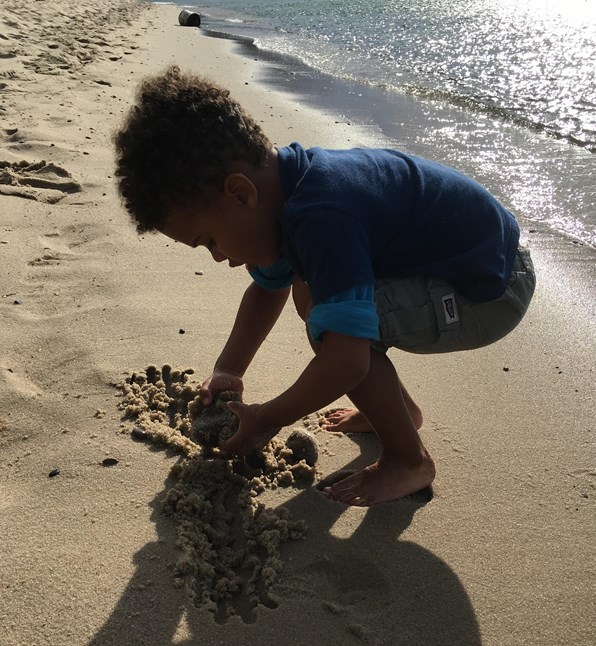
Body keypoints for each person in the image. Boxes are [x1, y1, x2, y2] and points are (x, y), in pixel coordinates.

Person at [113, 65, 536, 506]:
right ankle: (398, 413)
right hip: (463, 259)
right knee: (313, 295)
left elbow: (346, 362)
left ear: (240, 193)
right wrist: (229, 371)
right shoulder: (288, 190)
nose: (219, 256)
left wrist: (268, 418)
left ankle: (408, 459)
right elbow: (266, 289)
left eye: (209, 241)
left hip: (488, 290)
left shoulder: (322, 216)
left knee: (335, 329)